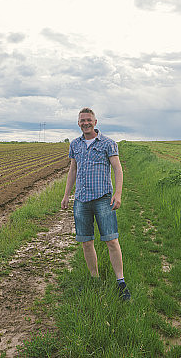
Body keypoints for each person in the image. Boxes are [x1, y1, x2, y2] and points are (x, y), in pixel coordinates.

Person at [61, 107, 131, 301]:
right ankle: (95, 279)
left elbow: (117, 168)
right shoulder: (75, 144)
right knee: (86, 242)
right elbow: (73, 170)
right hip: (81, 200)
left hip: (103, 198)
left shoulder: (108, 143)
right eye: (82, 120)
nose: (86, 123)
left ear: (95, 122)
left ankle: (121, 282)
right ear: (78, 123)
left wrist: (118, 193)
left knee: (111, 240)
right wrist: (67, 195)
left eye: (88, 120)